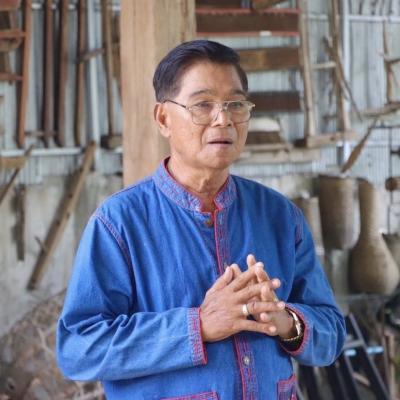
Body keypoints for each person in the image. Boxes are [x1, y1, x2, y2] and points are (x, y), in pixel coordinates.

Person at [57, 40, 346, 399]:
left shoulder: (280, 216)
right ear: (163, 118)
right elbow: (79, 349)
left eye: (235, 104)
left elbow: (332, 333)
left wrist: (286, 321)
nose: (223, 119)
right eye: (203, 105)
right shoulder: (119, 223)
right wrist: (197, 327)